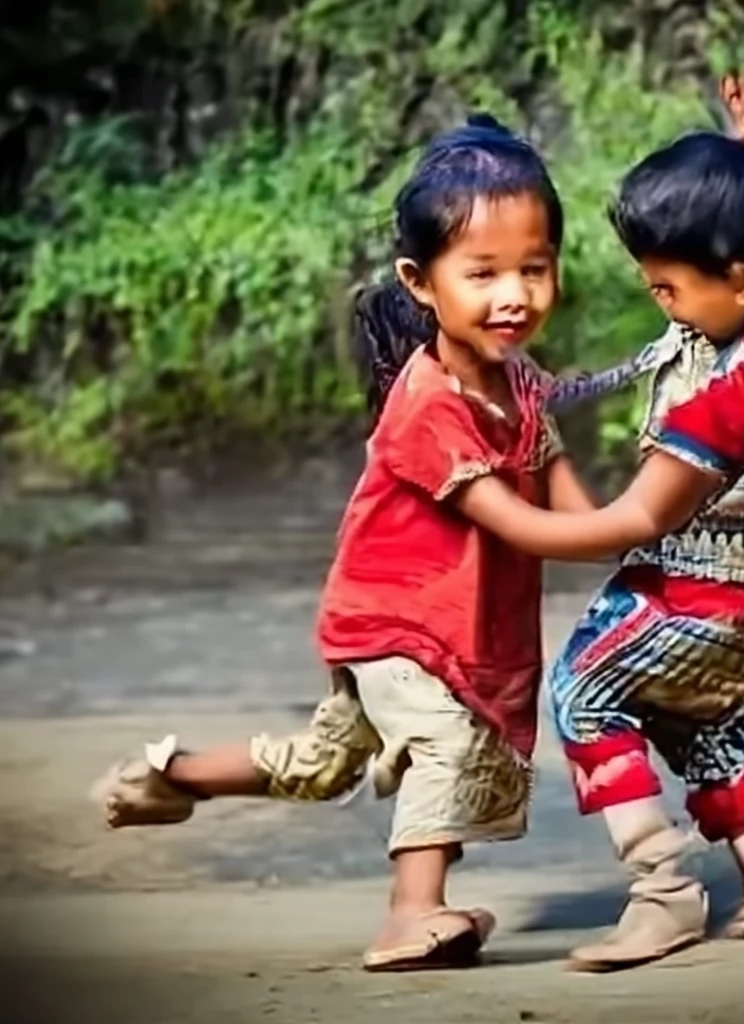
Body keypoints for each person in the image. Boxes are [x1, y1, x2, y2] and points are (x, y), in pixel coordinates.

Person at [90, 114, 656, 973]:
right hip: (399, 621)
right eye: (483, 273)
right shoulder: (427, 405)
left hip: (454, 620)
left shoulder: (522, 384)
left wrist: (647, 522)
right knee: (446, 742)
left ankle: (171, 776)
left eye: (534, 268)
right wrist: (642, 523)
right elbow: (527, 526)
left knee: (324, 764)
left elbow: (573, 502)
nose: (514, 294)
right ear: (419, 283)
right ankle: (410, 914)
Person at [450, 65, 744, 971]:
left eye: (666, 287)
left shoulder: (733, 390)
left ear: (735, 278)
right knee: (703, 713)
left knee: (586, 691)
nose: (657, 302)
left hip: (700, 589)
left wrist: (500, 512)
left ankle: (662, 889)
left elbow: (636, 519)